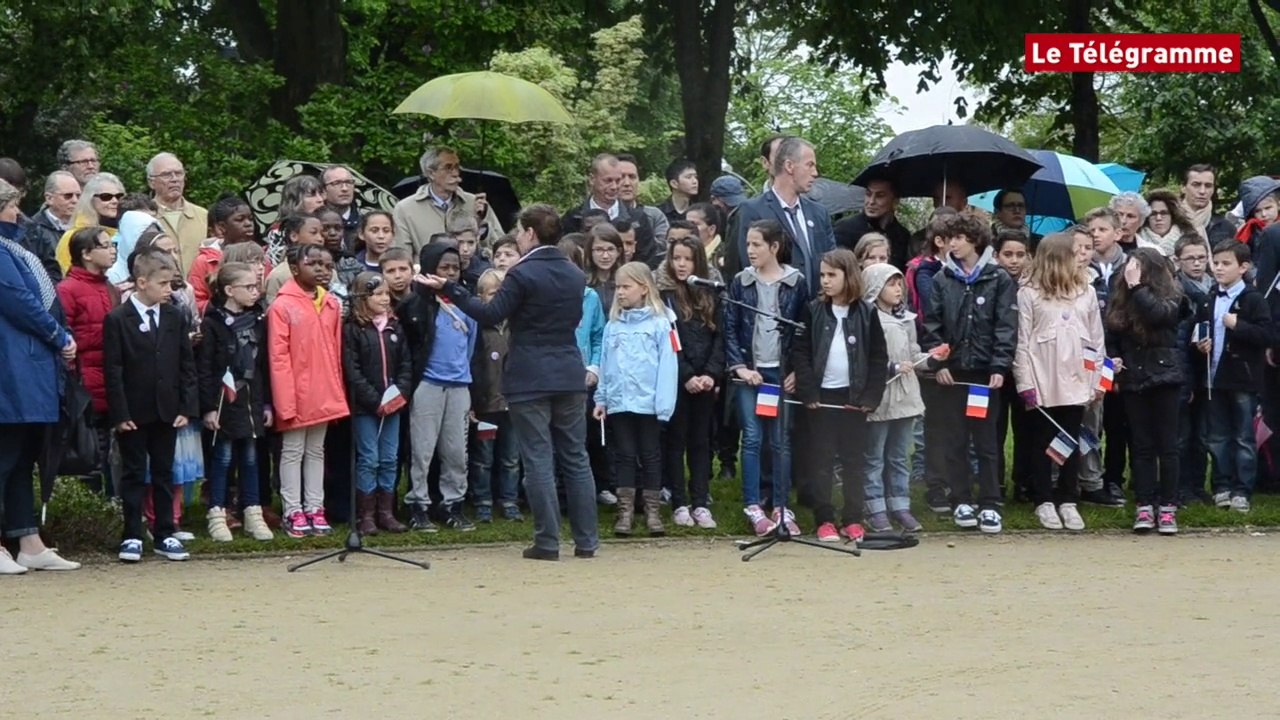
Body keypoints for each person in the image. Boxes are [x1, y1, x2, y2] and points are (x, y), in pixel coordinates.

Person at [417, 204, 601, 562]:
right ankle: (587, 540)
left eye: (520, 231)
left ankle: (547, 541)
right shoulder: (575, 274)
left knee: (538, 458)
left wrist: (451, 290)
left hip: (530, 374)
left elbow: (490, 313)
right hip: (568, 371)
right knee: (576, 457)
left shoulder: (522, 273)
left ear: (531, 233)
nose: (517, 236)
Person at [0, 182, 81, 573]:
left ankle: (27, 541)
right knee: (5, 454)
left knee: (21, 457)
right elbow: (20, 302)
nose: (18, 215)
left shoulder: (12, 248)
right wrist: (59, 335)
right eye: (14, 207)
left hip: (25, 368)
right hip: (9, 368)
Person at [920, 212, 1018, 534]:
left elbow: (1005, 325)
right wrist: (940, 364)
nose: (951, 244)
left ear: (974, 240)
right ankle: (961, 498)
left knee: (986, 441)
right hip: (953, 374)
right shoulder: (941, 279)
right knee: (956, 439)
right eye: (949, 239)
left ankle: (990, 502)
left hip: (983, 376)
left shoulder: (998, 279)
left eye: (958, 238)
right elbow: (932, 325)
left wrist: (999, 366)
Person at [103, 251, 198, 562]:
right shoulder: (117, 319)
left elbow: (186, 364)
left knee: (164, 472)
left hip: (167, 409)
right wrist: (120, 413)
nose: (168, 289)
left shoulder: (173, 316)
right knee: (132, 473)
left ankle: (164, 532)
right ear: (141, 283)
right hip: (134, 411)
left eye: (171, 283)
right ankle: (131, 534)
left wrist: (187, 406)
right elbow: (113, 369)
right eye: (162, 284)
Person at [791, 248, 887, 543]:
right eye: (822, 275)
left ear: (849, 276)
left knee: (853, 460)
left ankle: (853, 518)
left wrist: (870, 398)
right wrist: (808, 391)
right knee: (821, 460)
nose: (825, 281)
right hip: (822, 398)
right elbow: (801, 352)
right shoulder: (814, 310)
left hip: (853, 399)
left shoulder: (867, 313)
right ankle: (824, 519)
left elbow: (877, 358)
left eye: (832, 275)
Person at [1013, 232, 1105, 531]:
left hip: (1077, 377)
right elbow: (1023, 343)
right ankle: (1044, 500)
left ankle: (1068, 498)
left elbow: (1095, 340)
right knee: (1042, 441)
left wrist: (1096, 380)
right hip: (1043, 378)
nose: (1081, 256)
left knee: (1071, 440)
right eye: (1074, 251)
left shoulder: (1086, 291)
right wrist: (1025, 382)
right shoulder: (1028, 293)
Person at [724, 219, 808, 537]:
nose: (750, 250)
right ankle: (752, 505)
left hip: (780, 371)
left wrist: (797, 370)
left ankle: (781, 505)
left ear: (774, 247)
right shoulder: (741, 282)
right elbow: (730, 326)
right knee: (753, 437)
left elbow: (803, 330)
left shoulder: (795, 282)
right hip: (751, 371)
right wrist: (740, 367)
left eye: (757, 244)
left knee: (781, 440)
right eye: (748, 244)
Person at [1105, 248, 1190, 534]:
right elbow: (1112, 332)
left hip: (1164, 374)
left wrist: (1137, 286)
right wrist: (1114, 356)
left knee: (1167, 445)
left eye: (1137, 265)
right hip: (1133, 375)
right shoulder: (1122, 296)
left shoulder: (1172, 294)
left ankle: (1167, 506)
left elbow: (1159, 316)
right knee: (1141, 445)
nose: (1130, 270)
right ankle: (1144, 504)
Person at [268, 243, 349, 538]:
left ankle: (315, 507)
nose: (320, 269)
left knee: (316, 451)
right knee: (292, 452)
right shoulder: (283, 305)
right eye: (312, 263)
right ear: (293, 268)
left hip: (324, 392)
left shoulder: (331, 304)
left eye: (325, 265)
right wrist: (285, 401)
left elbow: (335, 353)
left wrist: (337, 391)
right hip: (295, 392)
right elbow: (278, 358)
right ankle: (292, 510)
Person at [593, 262, 678, 537]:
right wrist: (601, 399)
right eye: (617, 286)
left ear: (644, 288)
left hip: (649, 404)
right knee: (624, 456)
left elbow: (668, 367)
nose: (620, 292)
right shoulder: (613, 326)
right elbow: (605, 365)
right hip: (620, 403)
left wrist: (664, 406)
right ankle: (625, 512)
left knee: (651, 456)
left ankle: (653, 512)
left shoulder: (661, 323)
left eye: (626, 286)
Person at [399, 242, 478, 532]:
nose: (450, 273)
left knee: (457, 451)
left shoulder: (466, 304)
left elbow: (471, 347)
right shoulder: (415, 304)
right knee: (422, 450)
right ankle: (418, 504)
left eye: (455, 268)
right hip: (428, 384)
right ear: (431, 268)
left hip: (459, 386)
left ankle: (452, 503)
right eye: (444, 267)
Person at [198, 263, 274, 542]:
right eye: (249, 287)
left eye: (257, 286)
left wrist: (267, 403)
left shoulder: (258, 321)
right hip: (224, 402)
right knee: (223, 457)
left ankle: (252, 511)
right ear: (230, 290)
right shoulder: (213, 323)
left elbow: (264, 365)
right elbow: (205, 368)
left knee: (252, 458)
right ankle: (217, 511)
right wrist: (207, 407)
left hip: (252, 401)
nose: (255, 292)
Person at [1195, 240, 1271, 514]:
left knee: (1242, 436)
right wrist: (1200, 342)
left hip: (1242, 379)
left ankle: (1242, 489)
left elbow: (1266, 334)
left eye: (1226, 263)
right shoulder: (1210, 296)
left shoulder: (1253, 299)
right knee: (1217, 436)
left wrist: (1238, 325)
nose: (1218, 268)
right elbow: (1199, 327)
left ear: (1243, 267)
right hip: (1214, 376)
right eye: (1216, 263)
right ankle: (1221, 486)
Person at [657, 234, 723, 530]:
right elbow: (670, 341)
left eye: (687, 258)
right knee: (676, 440)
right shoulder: (665, 296)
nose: (681, 264)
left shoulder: (711, 293)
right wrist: (686, 375)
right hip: (678, 380)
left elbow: (720, 337)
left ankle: (700, 500)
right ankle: (679, 501)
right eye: (676, 258)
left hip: (706, 381)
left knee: (701, 441)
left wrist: (710, 373)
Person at [342, 272, 413, 535]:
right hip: (366, 408)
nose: (385, 298)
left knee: (389, 458)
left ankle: (386, 512)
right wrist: (374, 400)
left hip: (393, 406)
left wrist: (400, 394)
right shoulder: (353, 329)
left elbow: (406, 364)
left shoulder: (395, 326)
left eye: (386, 294)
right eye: (378, 294)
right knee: (369, 458)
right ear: (363, 297)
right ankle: (366, 515)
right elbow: (353, 370)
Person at [861, 261, 927, 534]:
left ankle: (900, 504)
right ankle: (874, 506)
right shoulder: (868, 318)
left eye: (899, 283)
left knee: (900, 455)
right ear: (876, 287)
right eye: (891, 283)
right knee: (875, 455)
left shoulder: (906, 319)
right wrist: (893, 367)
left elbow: (913, 352)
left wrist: (929, 359)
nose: (898, 288)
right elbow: (865, 357)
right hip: (882, 394)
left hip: (906, 397)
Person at [56, 226, 119, 489]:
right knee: (91, 450)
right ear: (87, 254)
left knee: (113, 451)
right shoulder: (67, 289)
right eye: (105, 245)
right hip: (85, 384)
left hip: (112, 380)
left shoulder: (111, 287)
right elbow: (63, 337)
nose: (112, 250)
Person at [730, 137, 834, 291]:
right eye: (809, 165)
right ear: (789, 166)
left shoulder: (819, 212)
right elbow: (745, 265)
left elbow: (832, 261)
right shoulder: (752, 210)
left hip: (816, 310)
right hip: (773, 308)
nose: (815, 173)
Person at [468, 269, 522, 523]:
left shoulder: (518, 325)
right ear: (480, 298)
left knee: (511, 457)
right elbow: (471, 365)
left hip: (512, 405)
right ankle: (483, 500)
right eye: (492, 294)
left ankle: (509, 499)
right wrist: (472, 401)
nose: (498, 298)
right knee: (483, 457)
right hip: (485, 404)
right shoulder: (477, 326)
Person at [393, 147, 503, 255]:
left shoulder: (476, 203)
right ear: (431, 173)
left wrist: (482, 225)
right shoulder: (405, 209)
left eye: (457, 167)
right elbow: (401, 255)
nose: (455, 173)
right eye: (448, 168)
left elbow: (500, 248)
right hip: (426, 272)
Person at [1173, 235, 1212, 506]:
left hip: (1208, 372)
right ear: (1178, 261)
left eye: (1201, 257)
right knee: (1182, 435)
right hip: (1184, 372)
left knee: (1202, 435)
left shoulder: (1215, 287)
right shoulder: (1176, 293)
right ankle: (1180, 486)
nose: (1197, 263)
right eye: (1190, 258)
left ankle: (1198, 484)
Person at [189, 195, 256, 313]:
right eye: (240, 220)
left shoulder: (258, 255)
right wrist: (223, 311)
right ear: (221, 227)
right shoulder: (205, 261)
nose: (248, 224)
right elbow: (197, 301)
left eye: (250, 219)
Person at [147, 153, 207, 274]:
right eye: (166, 175)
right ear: (151, 182)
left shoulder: (203, 215)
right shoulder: (144, 217)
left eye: (179, 173)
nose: (174, 179)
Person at [835, 179, 913, 271]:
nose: (871, 201)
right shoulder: (846, 228)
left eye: (880, 196)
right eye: (868, 194)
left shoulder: (903, 236)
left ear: (895, 201)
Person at [57, 173, 125, 272]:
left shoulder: (127, 232)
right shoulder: (73, 236)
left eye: (119, 196)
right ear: (90, 199)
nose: (114, 201)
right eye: (106, 197)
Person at [23, 170, 80, 283]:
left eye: (78, 195)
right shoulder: (33, 231)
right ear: (49, 198)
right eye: (68, 196)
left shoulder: (85, 226)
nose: (75, 200)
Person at [263, 175, 326, 269]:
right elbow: (275, 266)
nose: (320, 200)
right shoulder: (279, 230)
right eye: (311, 195)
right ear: (295, 200)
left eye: (320, 194)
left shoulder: (328, 223)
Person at [265, 214, 323, 305]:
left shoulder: (327, 269)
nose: (320, 239)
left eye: (322, 234)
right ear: (294, 236)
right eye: (313, 233)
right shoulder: (279, 275)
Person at [1182, 164, 1236, 243]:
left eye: (1208, 186)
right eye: (1196, 185)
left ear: (1213, 189)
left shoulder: (1226, 228)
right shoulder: (1168, 221)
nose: (1202, 191)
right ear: (1183, 188)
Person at [322, 165, 363, 252]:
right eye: (336, 183)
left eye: (348, 182)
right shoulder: (314, 223)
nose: (345, 188)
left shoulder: (365, 224)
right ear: (323, 190)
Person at [659, 158, 698, 224]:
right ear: (674, 183)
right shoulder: (659, 213)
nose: (695, 181)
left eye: (695, 177)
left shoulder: (699, 212)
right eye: (689, 177)